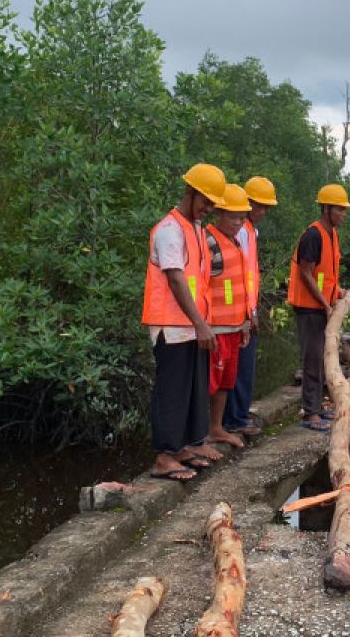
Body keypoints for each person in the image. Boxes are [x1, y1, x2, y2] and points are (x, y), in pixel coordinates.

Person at [141, 163, 228, 482]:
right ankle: (165, 457)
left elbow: (200, 280)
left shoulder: (194, 228)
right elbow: (176, 279)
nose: (208, 209)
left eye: (212, 204)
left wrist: (203, 323)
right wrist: (201, 324)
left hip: (191, 323)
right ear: (190, 193)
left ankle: (184, 447)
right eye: (206, 202)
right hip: (171, 323)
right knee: (172, 390)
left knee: (192, 387)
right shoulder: (169, 229)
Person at [287, 183, 349, 432]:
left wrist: (338, 293)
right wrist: (325, 303)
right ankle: (310, 413)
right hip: (309, 308)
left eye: (344, 210)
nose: (343, 214)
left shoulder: (331, 234)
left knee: (322, 357)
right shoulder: (313, 234)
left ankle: (317, 407)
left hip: (321, 306)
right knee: (312, 359)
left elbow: (327, 273)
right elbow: (306, 273)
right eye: (339, 210)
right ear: (326, 208)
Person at [222, 175, 277, 436]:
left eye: (267, 207)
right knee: (240, 367)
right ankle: (235, 419)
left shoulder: (251, 232)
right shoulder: (241, 231)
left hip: (246, 308)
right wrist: (249, 313)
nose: (264, 211)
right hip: (239, 311)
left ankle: (237, 415)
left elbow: (251, 274)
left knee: (243, 366)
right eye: (260, 205)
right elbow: (239, 276)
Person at [204, 183, 252, 450]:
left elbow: (239, 286)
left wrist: (244, 322)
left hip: (233, 327)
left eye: (241, 217)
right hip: (215, 328)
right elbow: (199, 286)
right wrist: (204, 325)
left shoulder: (235, 241)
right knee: (210, 381)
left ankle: (216, 428)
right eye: (233, 216)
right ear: (219, 214)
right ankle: (203, 432)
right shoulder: (209, 241)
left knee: (226, 381)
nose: (238, 222)